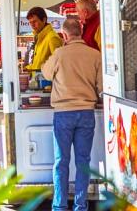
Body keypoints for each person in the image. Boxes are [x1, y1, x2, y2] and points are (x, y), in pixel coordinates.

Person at [42, 17, 102, 211]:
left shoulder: (60, 53)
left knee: (61, 162)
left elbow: (46, 74)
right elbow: (101, 86)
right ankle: (80, 206)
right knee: (83, 162)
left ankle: (59, 206)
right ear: (81, 33)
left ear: (65, 35)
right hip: (86, 112)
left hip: (64, 113)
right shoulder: (95, 55)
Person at [25, 7, 64, 71]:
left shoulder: (52, 37)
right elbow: (39, 63)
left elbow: (58, 64)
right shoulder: (40, 37)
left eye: (34, 21)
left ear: (44, 20)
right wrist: (28, 68)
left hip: (47, 80)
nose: (32, 25)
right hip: (39, 79)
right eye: (30, 22)